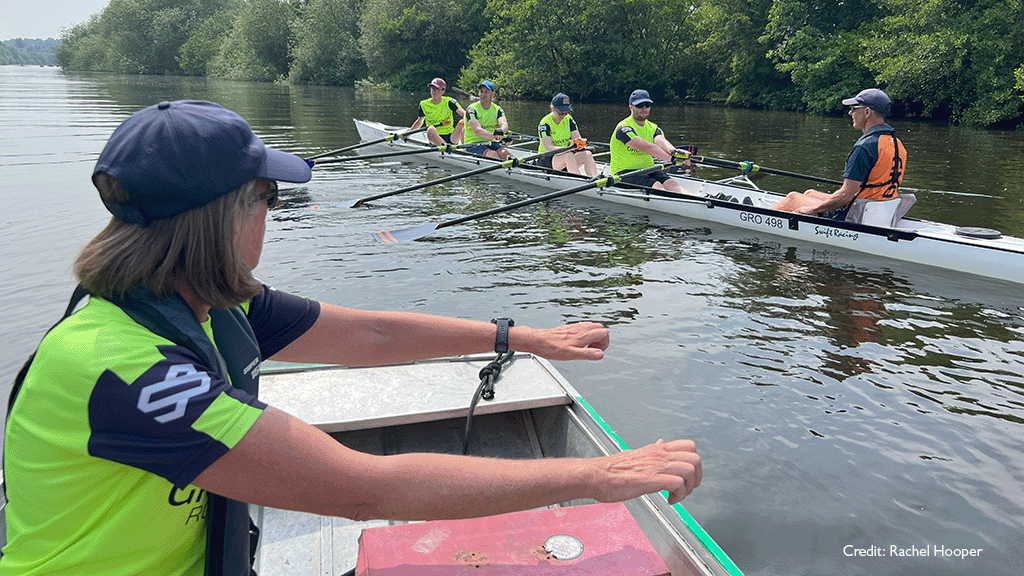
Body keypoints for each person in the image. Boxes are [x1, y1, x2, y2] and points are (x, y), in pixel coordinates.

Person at [0, 100, 703, 575]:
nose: (272, 214)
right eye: (268, 198)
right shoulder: (127, 372)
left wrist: (525, 338)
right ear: (222, 218)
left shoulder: (205, 302)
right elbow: (363, 488)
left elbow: (367, 333)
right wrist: (598, 476)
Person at [771, 88, 906, 219]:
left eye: (854, 108)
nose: (850, 113)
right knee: (809, 193)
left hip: (857, 212)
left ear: (867, 112)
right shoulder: (896, 144)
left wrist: (813, 210)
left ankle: (760, 217)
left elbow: (845, 196)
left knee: (792, 198)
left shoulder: (864, 147)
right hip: (877, 209)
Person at [608, 89, 689, 193]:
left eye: (647, 105)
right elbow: (646, 147)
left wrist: (676, 152)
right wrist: (673, 159)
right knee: (656, 185)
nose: (644, 108)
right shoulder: (623, 129)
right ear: (630, 107)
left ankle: (697, 202)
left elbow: (661, 141)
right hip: (624, 173)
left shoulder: (653, 128)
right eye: (639, 105)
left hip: (649, 170)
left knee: (672, 184)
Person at [537, 93, 598, 177]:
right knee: (568, 156)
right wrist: (569, 148)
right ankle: (578, 181)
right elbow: (548, 148)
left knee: (587, 154)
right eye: (561, 113)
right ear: (552, 108)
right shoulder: (545, 123)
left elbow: (577, 138)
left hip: (565, 154)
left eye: (566, 112)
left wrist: (581, 143)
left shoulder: (568, 119)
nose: (564, 115)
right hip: (547, 158)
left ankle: (595, 179)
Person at [462, 80, 512, 160]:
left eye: (486, 92)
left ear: (493, 94)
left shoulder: (497, 109)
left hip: (490, 142)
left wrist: (501, 132)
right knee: (492, 153)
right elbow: (478, 131)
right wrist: (497, 136)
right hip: (473, 144)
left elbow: (504, 124)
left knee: (504, 153)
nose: (483, 95)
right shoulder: (472, 109)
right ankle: (503, 170)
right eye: (481, 92)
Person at [409, 77, 465, 146]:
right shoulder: (424, 104)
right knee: (430, 129)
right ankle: (446, 148)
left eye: (437, 89)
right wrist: (408, 134)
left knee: (463, 121)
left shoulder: (449, 101)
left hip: (452, 137)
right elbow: (419, 122)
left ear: (443, 91)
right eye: (432, 88)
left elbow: (464, 113)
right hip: (435, 136)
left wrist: (464, 126)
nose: (434, 91)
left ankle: (463, 146)